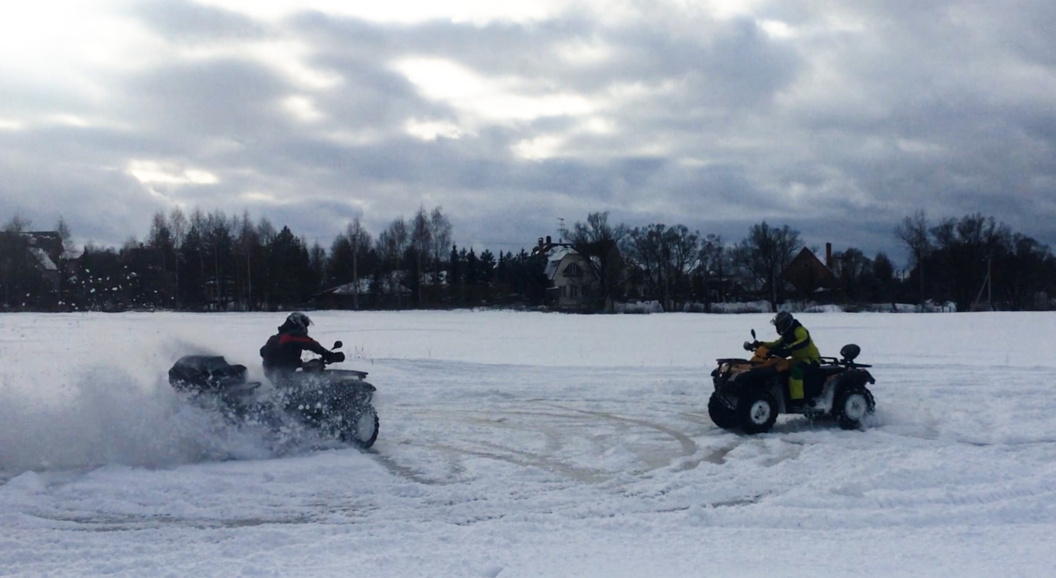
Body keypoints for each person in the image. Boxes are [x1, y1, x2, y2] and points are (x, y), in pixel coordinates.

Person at [747, 311, 821, 405]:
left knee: (796, 370)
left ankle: (799, 400)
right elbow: (775, 344)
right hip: (797, 359)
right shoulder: (787, 336)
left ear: (787, 323)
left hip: (811, 359)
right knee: (777, 365)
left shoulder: (799, 330)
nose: (779, 328)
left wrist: (788, 348)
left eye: (781, 325)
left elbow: (803, 341)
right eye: (778, 326)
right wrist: (760, 344)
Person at [260, 312, 339, 382]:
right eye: (305, 324)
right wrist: (327, 353)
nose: (305, 327)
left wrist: (297, 363)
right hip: (285, 375)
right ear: (297, 322)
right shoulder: (292, 335)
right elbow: (309, 342)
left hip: (273, 376)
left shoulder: (274, 338)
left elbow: (263, 351)